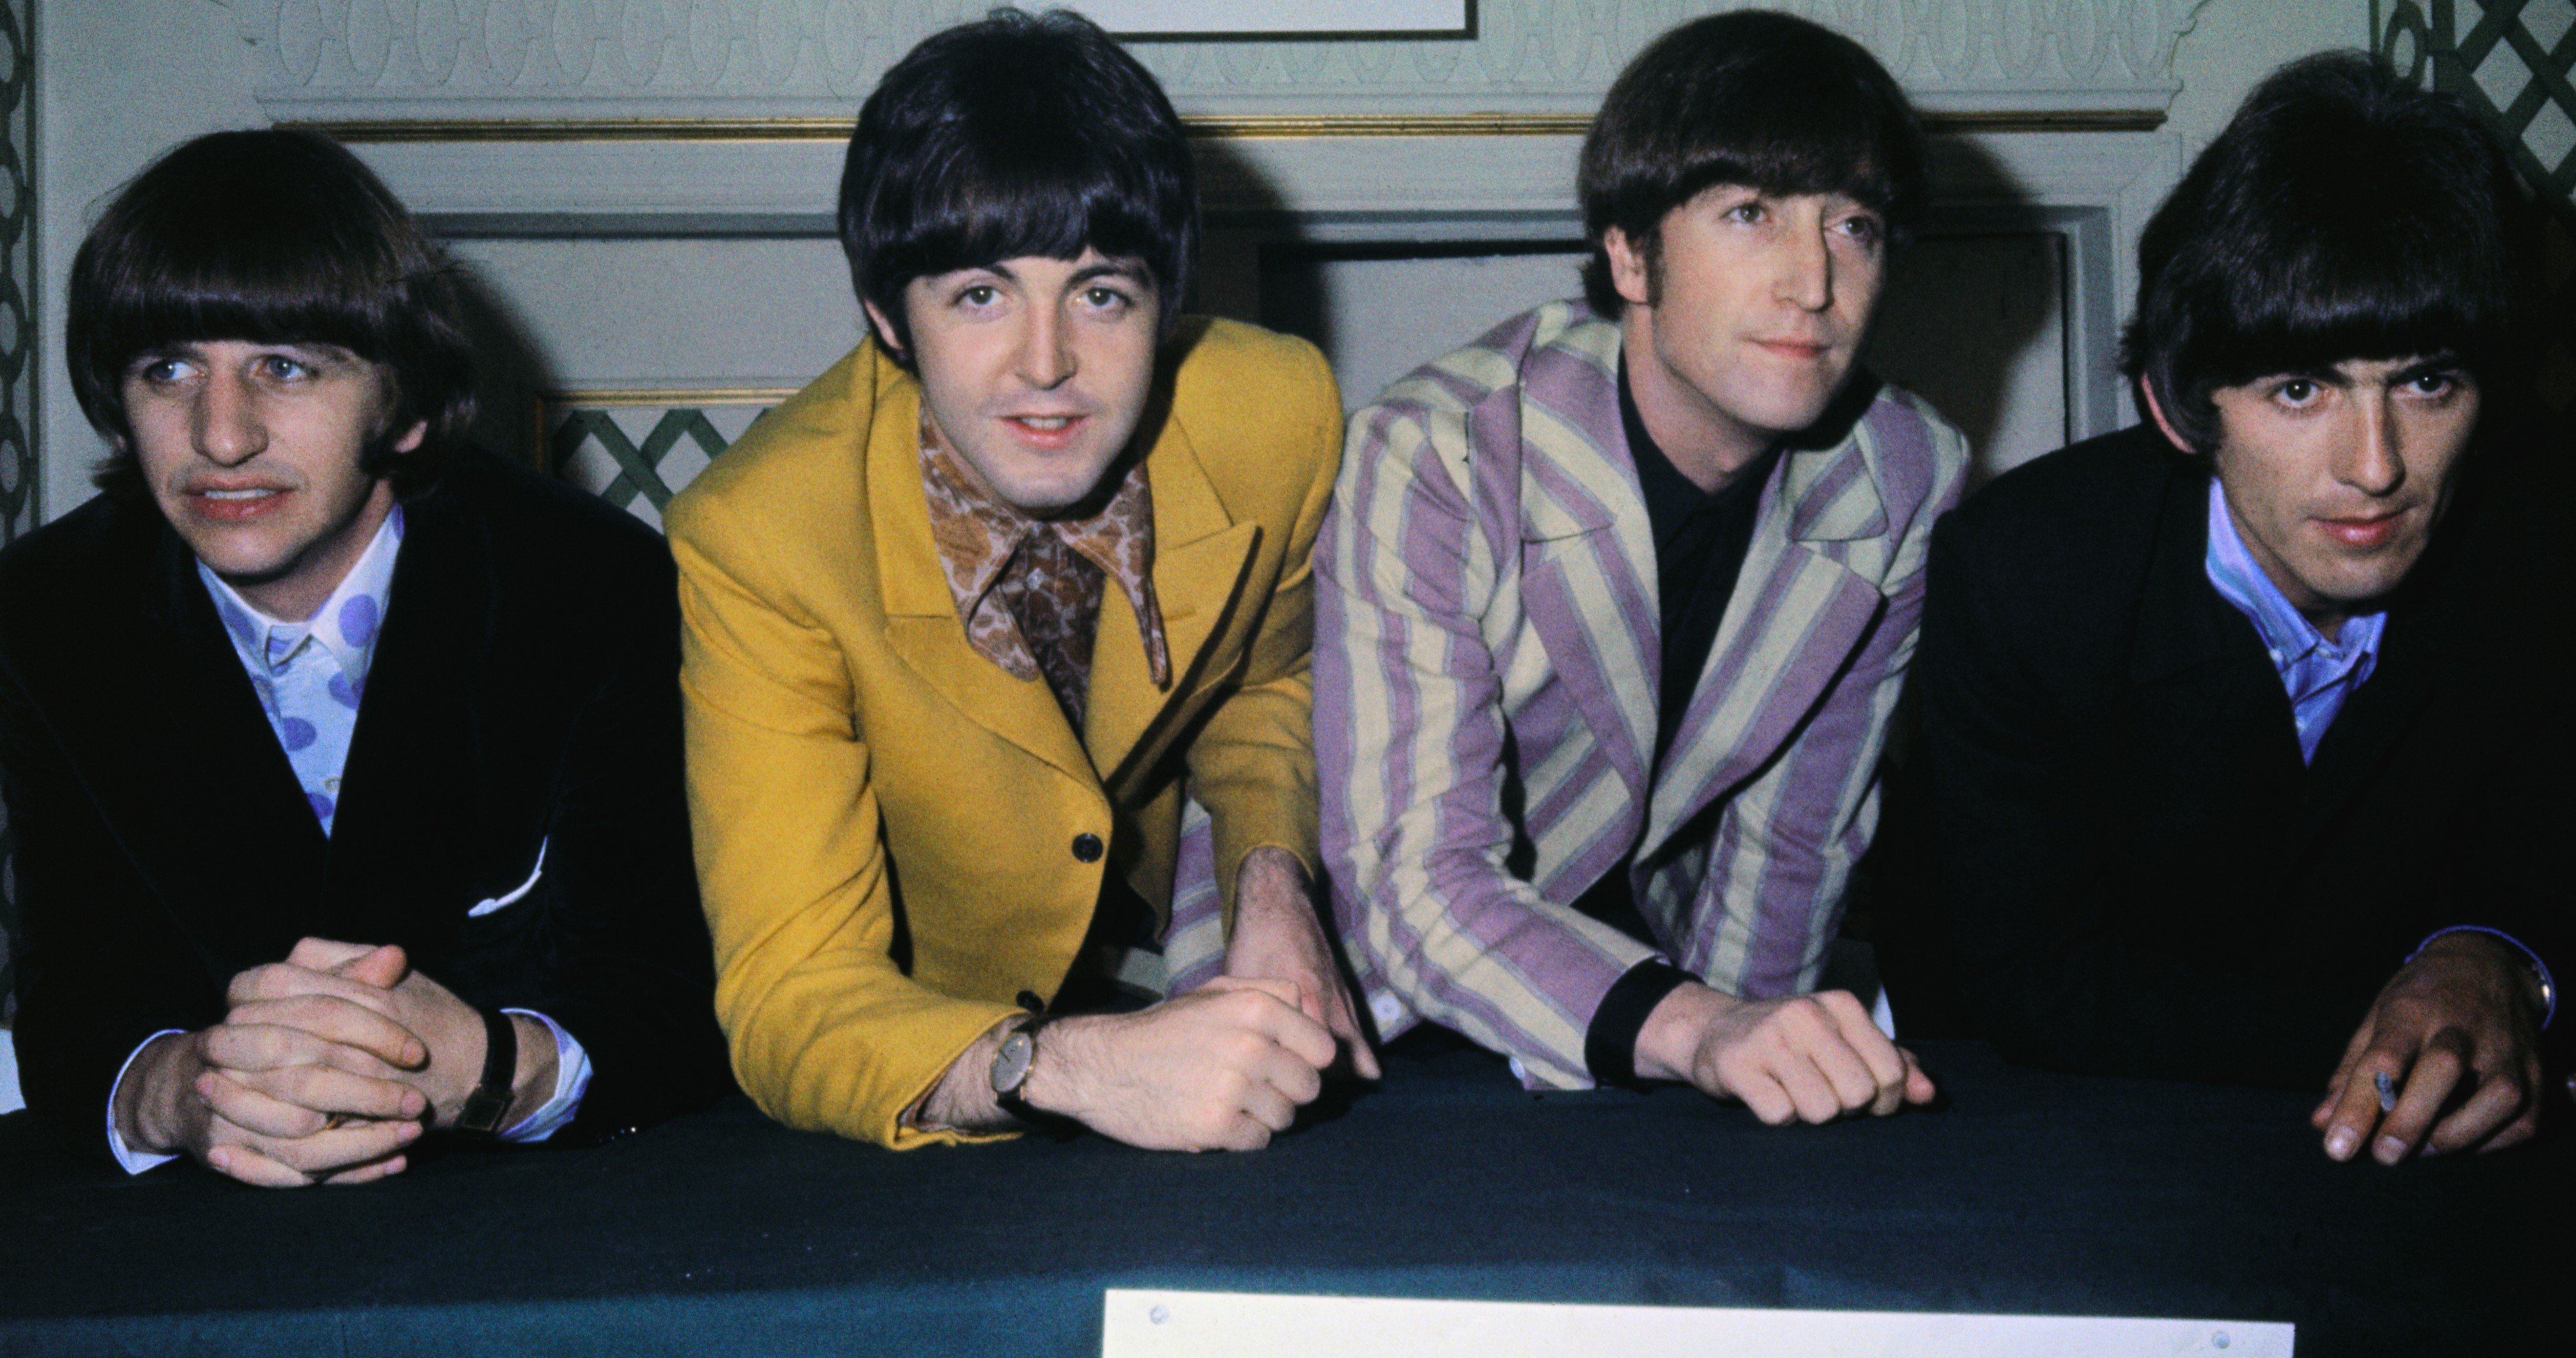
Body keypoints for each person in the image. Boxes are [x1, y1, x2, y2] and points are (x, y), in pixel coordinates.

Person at [668, 9, 1366, 1153]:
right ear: (889, 315)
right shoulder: (757, 537)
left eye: (1100, 293)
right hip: (942, 1065)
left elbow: (1265, 685)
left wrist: (1274, 881)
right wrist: (1056, 1065)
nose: (1046, 365)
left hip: (1183, 979)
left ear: (1167, 303)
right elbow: (789, 992)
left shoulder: (1279, 412)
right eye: (980, 295)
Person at [0, 130, 732, 1186]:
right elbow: (77, 1001)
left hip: (538, 1212)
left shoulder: (589, 584)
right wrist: (186, 1090)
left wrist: (474, 1066)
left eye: (284, 368)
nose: (221, 437)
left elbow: (665, 996)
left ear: (406, 405)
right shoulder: (47, 613)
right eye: (169, 370)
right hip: (214, 1235)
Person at [1909, 52, 2564, 1164]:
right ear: (2180, 405)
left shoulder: (2539, 556)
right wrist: (2417, 1020)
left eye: (2425, 383)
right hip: (2063, 1143)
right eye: (2300, 388)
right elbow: (2025, 980)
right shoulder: (2024, 572)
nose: (2374, 468)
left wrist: (2494, 951)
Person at [1317, 12, 1964, 1123]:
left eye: (1853, 227)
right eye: (1749, 215)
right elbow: (1412, 880)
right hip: (1370, 1013)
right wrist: (1701, 1029)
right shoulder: (1436, 449)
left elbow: (1796, 837)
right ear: (1628, 255)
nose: (1812, 283)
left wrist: (1753, 1060)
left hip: (1654, 1006)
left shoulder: (1905, 469)